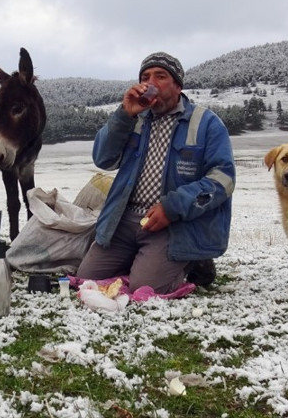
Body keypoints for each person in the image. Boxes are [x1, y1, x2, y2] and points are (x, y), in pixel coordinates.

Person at [75, 51, 235, 294]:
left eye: (160, 76)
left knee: (146, 287)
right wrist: (124, 114)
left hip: (171, 223)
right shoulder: (134, 118)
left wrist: (172, 208)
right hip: (124, 219)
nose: (150, 83)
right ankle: (145, 259)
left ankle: (191, 259)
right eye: (145, 77)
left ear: (178, 85)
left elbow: (223, 178)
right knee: (87, 278)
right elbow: (103, 159)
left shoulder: (206, 123)